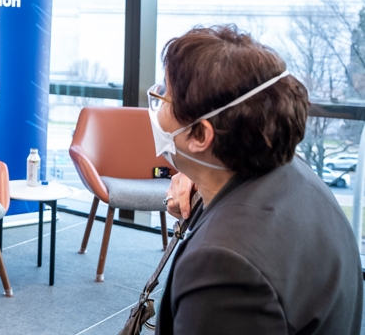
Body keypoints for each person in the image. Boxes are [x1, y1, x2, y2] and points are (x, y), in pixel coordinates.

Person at [149, 25, 362, 335]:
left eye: (165, 95)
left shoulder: (224, 265)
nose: (156, 104)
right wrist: (198, 178)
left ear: (201, 135)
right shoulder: (296, 175)